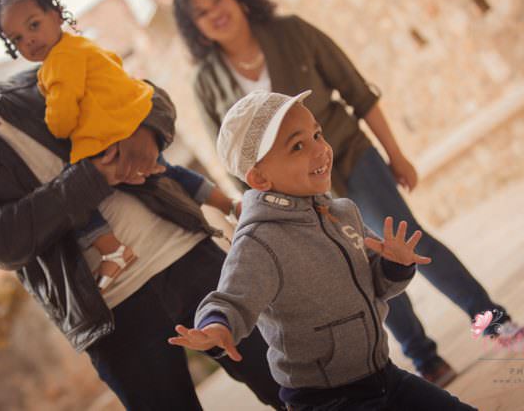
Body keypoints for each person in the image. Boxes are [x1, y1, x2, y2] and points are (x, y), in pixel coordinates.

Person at [0, 20, 284, 410]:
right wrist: (93, 175)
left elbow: (149, 96)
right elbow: (3, 241)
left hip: (187, 257)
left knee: (289, 382)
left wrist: (144, 131)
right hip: (111, 316)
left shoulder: (40, 80)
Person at [172, 0, 524, 386]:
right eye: (201, 14)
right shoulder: (206, 82)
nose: (214, 14)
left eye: (217, 0)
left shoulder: (291, 31)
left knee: (406, 241)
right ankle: (425, 359)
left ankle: (497, 326)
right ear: (195, 28)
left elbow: (356, 90)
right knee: (357, 262)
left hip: (348, 154)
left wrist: (395, 154)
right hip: (293, 195)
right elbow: (234, 161)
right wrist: (262, 210)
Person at [168, 90, 476, 410]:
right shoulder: (258, 242)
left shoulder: (342, 213)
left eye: (317, 134)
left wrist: (394, 266)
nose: (320, 150)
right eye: (298, 146)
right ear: (258, 177)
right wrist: (216, 327)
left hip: (384, 376)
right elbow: (231, 299)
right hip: (327, 401)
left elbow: (377, 286)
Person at [0, 0, 237, 292]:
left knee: (78, 196)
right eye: (17, 39)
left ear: (54, 14)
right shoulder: (80, 45)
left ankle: (112, 249)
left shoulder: (58, 62)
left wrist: (53, 124)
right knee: (167, 173)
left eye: (33, 25)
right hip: (130, 119)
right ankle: (227, 203)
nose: (29, 41)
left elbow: (62, 117)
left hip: (104, 137)